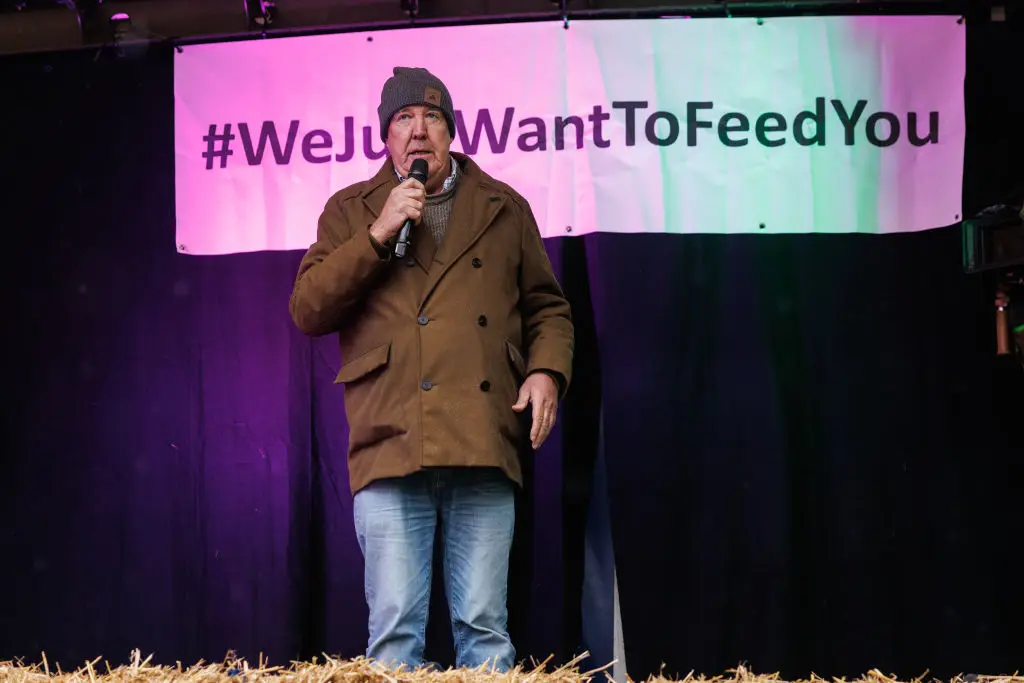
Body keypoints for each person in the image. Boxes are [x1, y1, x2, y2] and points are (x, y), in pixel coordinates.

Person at [288, 66, 575, 672]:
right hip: (391, 439)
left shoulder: (504, 207)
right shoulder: (350, 210)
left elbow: (548, 308)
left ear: (451, 131)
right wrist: (377, 234)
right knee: (393, 634)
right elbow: (308, 309)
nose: (419, 132)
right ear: (385, 138)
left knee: (485, 629)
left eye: (433, 118)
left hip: (482, 435)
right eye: (404, 120)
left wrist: (546, 371)